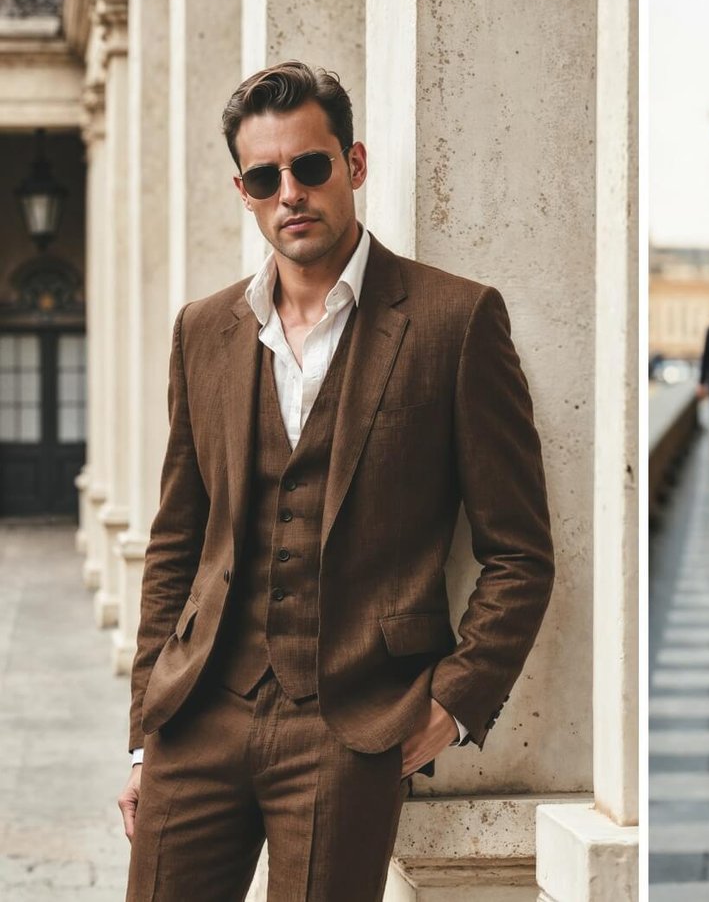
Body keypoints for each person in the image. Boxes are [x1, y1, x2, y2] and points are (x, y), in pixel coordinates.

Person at [116, 61, 555, 900]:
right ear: (243, 191)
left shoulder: (454, 322)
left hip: (350, 721)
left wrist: (452, 706)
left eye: (310, 166)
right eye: (264, 176)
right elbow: (177, 537)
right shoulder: (203, 331)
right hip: (200, 711)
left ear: (352, 165)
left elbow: (520, 553)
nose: (291, 192)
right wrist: (145, 731)